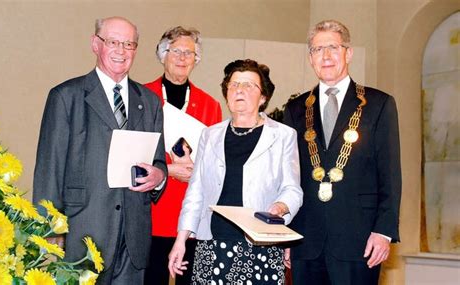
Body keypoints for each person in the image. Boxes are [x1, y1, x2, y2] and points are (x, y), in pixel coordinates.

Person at [33, 16, 167, 285]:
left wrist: (159, 177)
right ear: (96, 44)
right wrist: (50, 228)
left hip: (133, 240)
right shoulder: (66, 97)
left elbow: (159, 161)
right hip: (82, 232)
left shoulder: (150, 101)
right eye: (113, 42)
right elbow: (50, 167)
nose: (121, 50)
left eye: (129, 44)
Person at [284, 20, 402, 284]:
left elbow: (390, 174)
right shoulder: (295, 109)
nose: (325, 56)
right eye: (317, 49)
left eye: (333, 47)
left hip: (359, 241)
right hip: (305, 241)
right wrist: (286, 234)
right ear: (310, 58)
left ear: (348, 53)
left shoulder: (379, 104)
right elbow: (289, 177)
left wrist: (383, 231)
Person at [168, 59, 303, 284]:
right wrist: (181, 240)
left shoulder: (283, 135)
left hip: (261, 245)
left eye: (249, 85)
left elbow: (293, 189)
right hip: (212, 244)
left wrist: (281, 207)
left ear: (263, 97)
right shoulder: (210, 135)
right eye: (234, 84)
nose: (239, 89)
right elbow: (196, 191)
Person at [143, 26, 222, 285]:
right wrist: (168, 169)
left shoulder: (210, 105)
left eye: (189, 53)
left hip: (191, 217)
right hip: (151, 211)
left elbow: (216, 161)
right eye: (176, 51)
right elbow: (130, 155)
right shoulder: (141, 97)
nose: (182, 58)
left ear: (196, 60)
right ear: (162, 55)